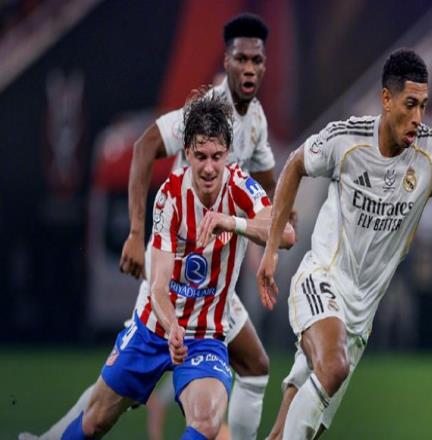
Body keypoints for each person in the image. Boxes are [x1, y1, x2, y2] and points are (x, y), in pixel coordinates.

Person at [19, 12, 276, 440]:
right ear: (226, 61)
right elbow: (144, 147)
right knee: (109, 403)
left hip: (212, 280)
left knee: (252, 367)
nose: (249, 69)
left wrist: (277, 211)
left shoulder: (256, 120)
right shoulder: (203, 110)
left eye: (257, 60)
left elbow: (265, 175)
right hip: (174, 267)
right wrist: (137, 234)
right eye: (241, 59)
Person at [257, 48, 432, 439]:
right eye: (410, 104)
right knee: (333, 367)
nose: (418, 117)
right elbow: (296, 164)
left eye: (424, 106)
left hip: (360, 317)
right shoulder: (346, 139)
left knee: (296, 429)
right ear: (386, 99)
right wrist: (269, 250)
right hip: (322, 278)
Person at [59, 93, 295, 440]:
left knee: (206, 422)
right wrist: (171, 327)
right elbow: (158, 285)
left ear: (228, 154)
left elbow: (286, 234)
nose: (209, 168)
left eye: (216, 156)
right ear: (187, 153)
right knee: (94, 421)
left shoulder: (240, 187)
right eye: (200, 156)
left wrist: (232, 223)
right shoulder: (169, 196)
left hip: (206, 337)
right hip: (155, 329)